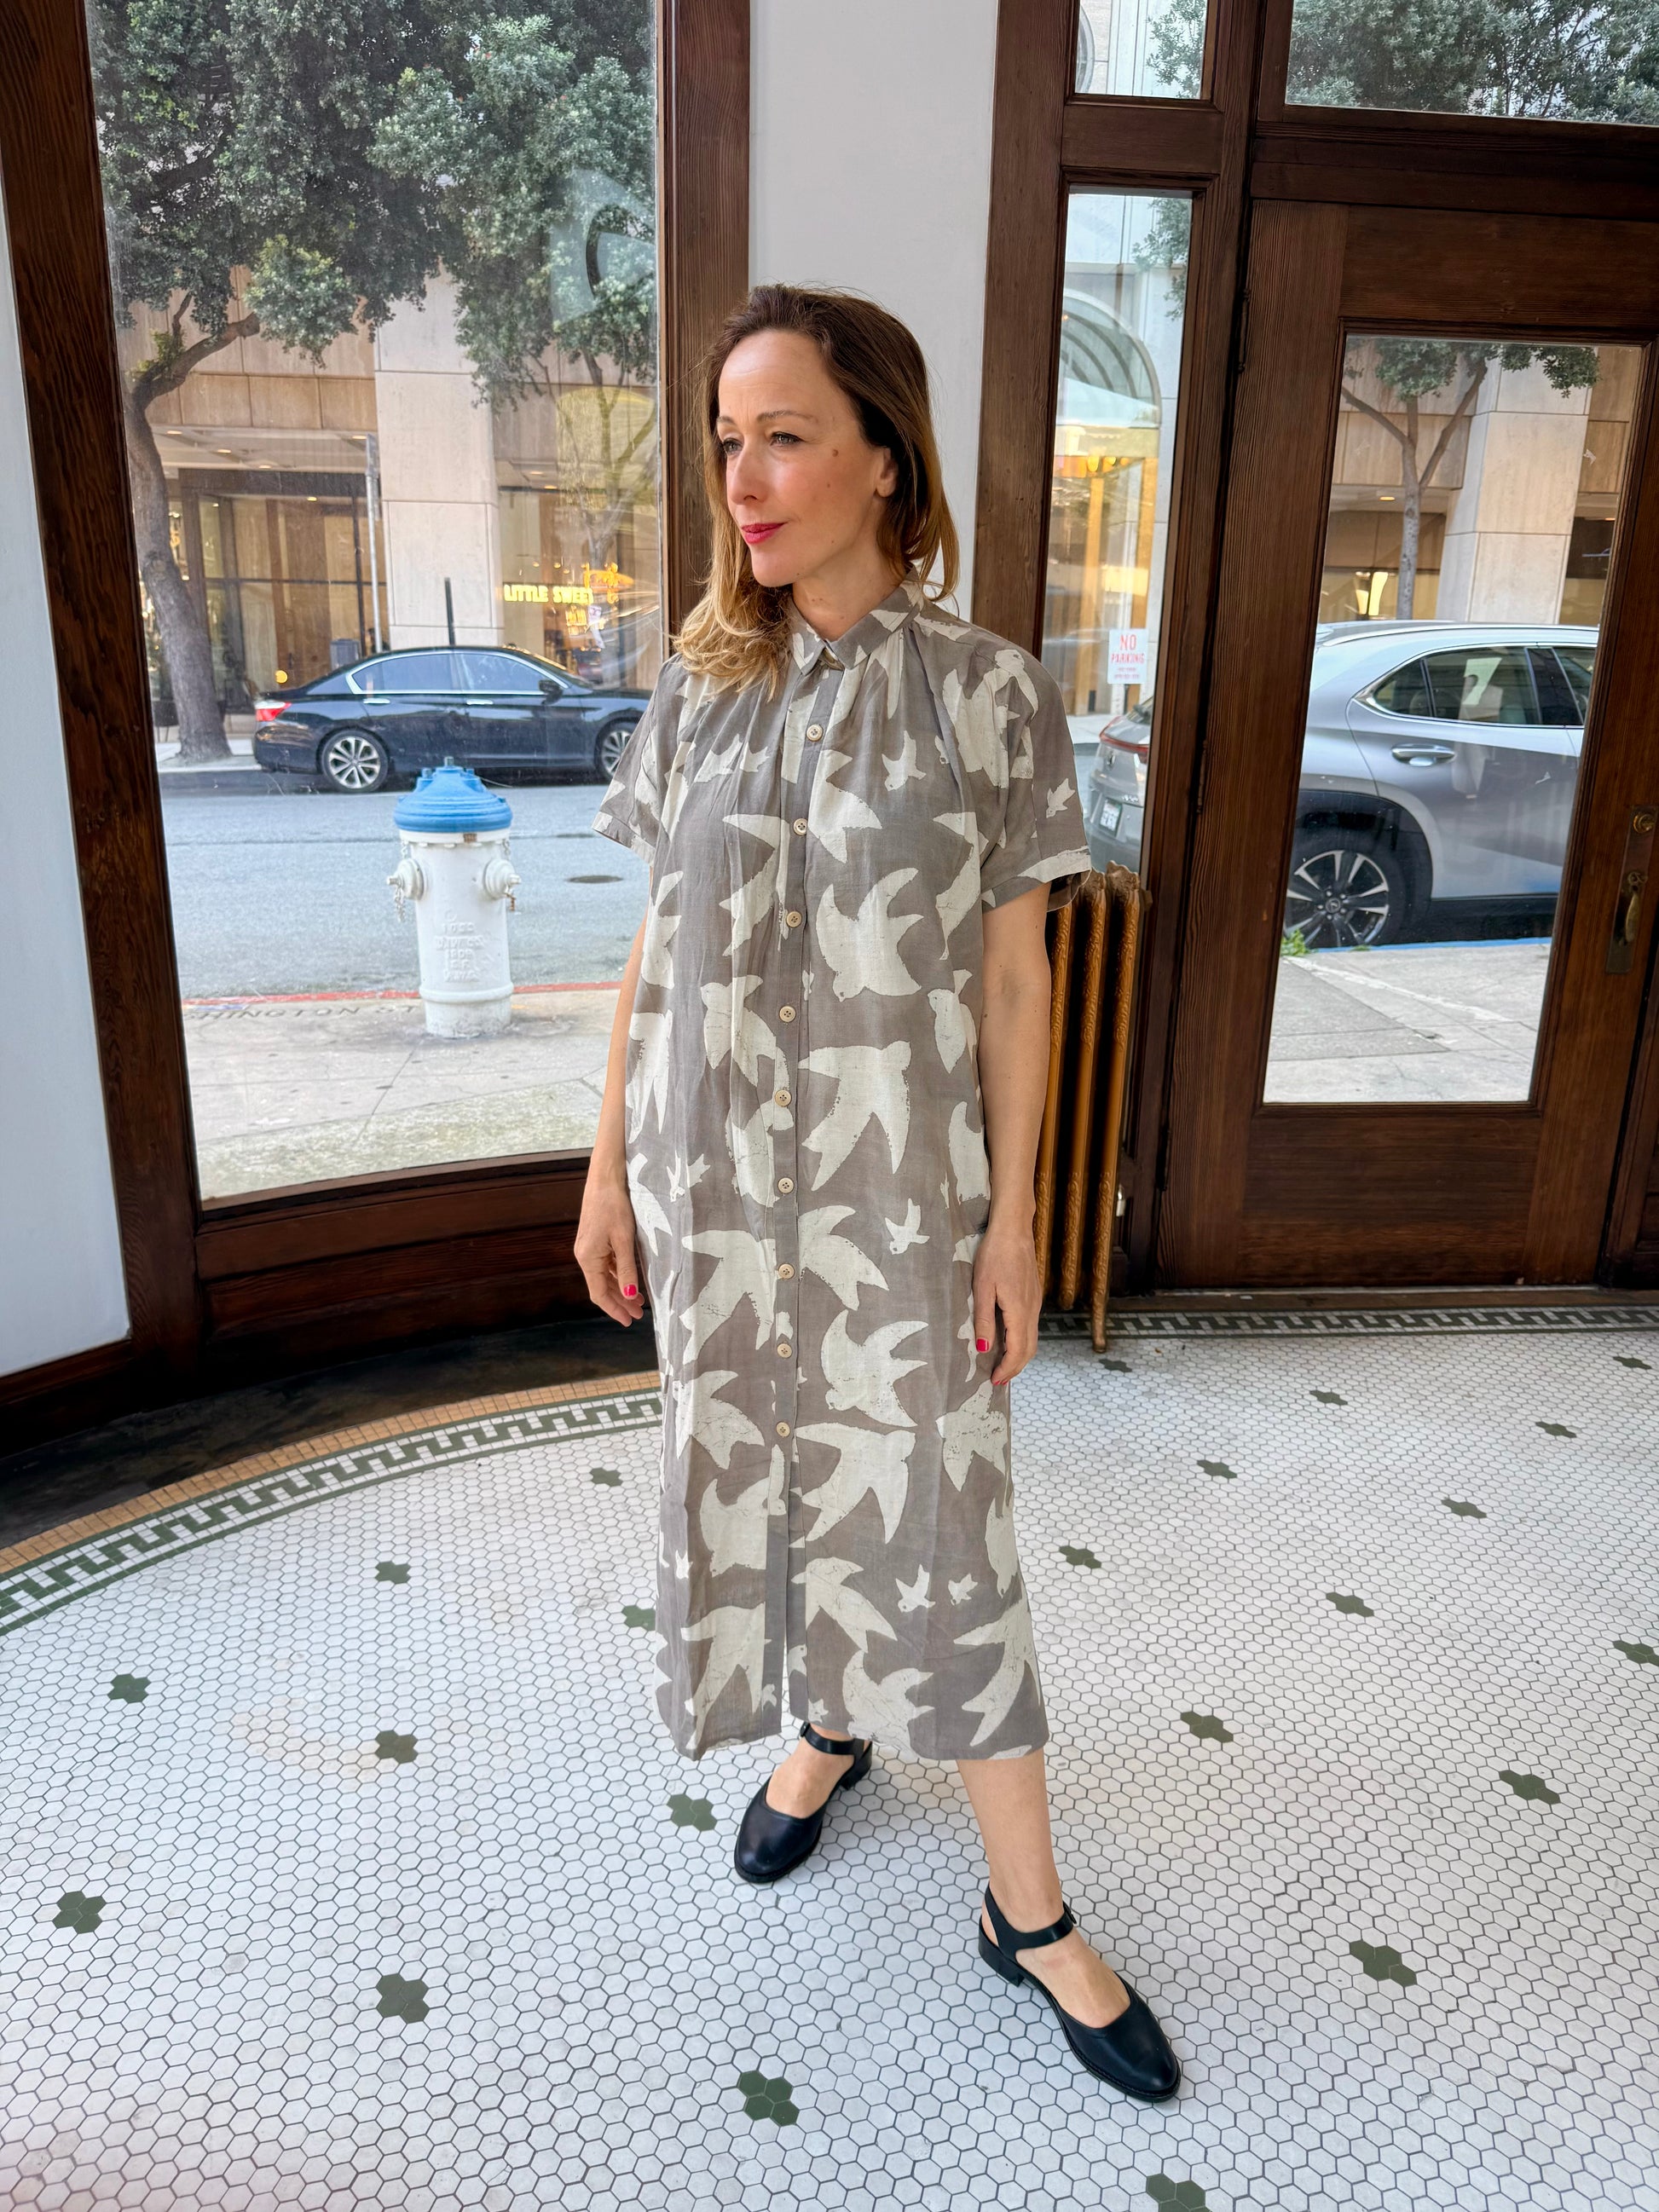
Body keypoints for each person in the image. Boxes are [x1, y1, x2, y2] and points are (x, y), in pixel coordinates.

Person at [575, 285, 1180, 2102]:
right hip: (708, 1187)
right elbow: (650, 943)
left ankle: (1028, 1912)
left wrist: (1018, 1219)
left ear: (883, 458)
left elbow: (1015, 976)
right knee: (765, 1471)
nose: (743, 477)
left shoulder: (987, 692)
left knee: (944, 1530)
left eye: (784, 436)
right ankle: (830, 1725)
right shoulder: (698, 682)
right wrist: (604, 1165)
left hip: (900, 1200)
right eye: (727, 439)